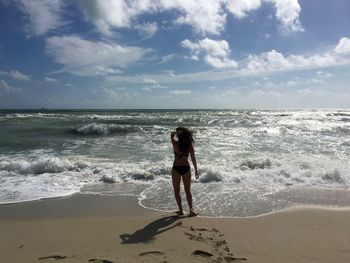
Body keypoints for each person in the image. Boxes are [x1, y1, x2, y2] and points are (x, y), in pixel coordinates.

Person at [170, 127, 199, 216]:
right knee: (188, 191)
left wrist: (178, 132)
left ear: (179, 135)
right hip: (186, 168)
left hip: (176, 169)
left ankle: (181, 211)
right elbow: (193, 158)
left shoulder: (175, 144)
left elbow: (171, 134)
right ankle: (191, 210)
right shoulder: (189, 146)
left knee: (177, 191)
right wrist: (196, 170)